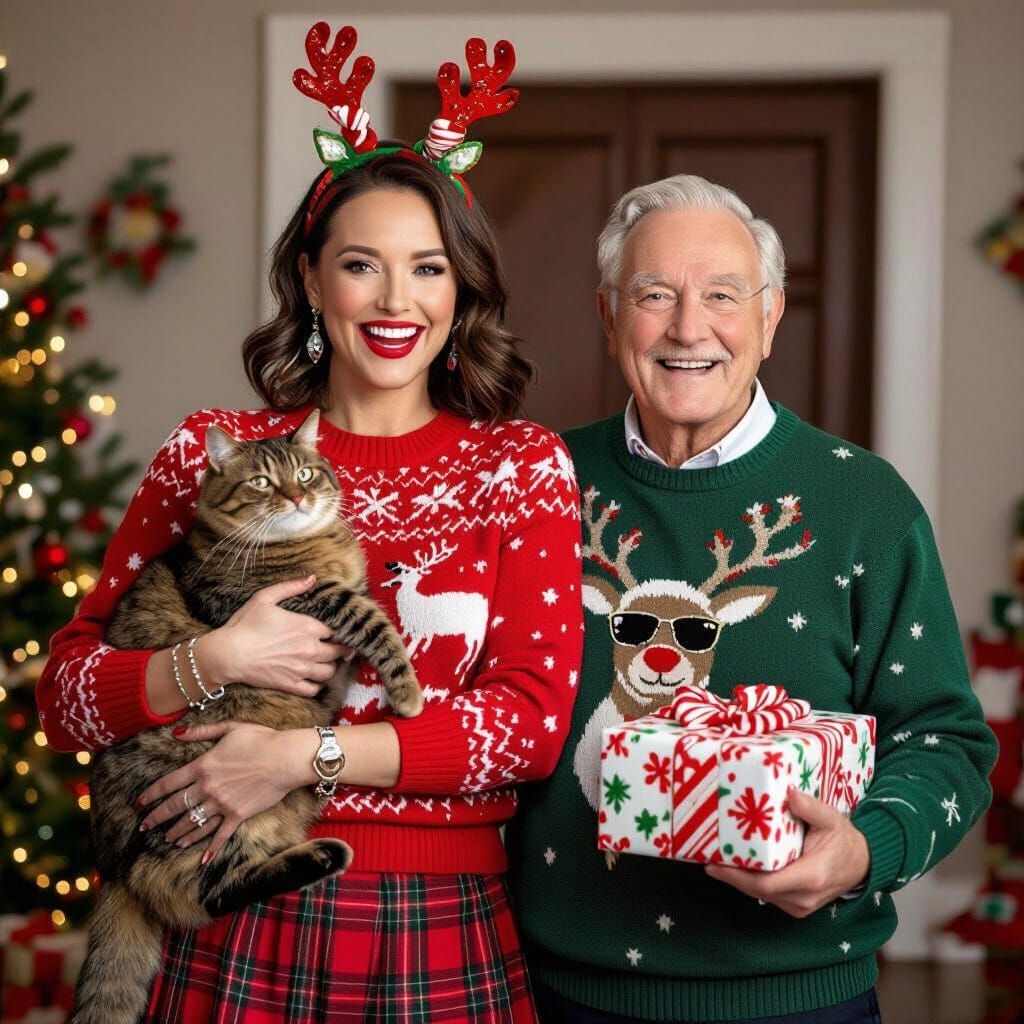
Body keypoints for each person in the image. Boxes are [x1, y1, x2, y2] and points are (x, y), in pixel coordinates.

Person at [37, 24, 582, 1023]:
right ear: (311, 279)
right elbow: (68, 697)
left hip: (440, 921)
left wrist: (297, 759)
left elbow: (530, 726)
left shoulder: (521, 465)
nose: (394, 299)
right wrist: (209, 660)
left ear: (461, 291)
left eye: (427, 268)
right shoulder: (215, 448)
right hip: (223, 910)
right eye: (360, 264)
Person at [505, 172, 997, 1023]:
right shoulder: (538, 482)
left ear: (770, 318)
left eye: (723, 296)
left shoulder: (866, 504)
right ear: (609, 315)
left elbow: (947, 739)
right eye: (654, 294)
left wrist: (864, 851)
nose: (688, 327)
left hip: (801, 1000)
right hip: (557, 995)